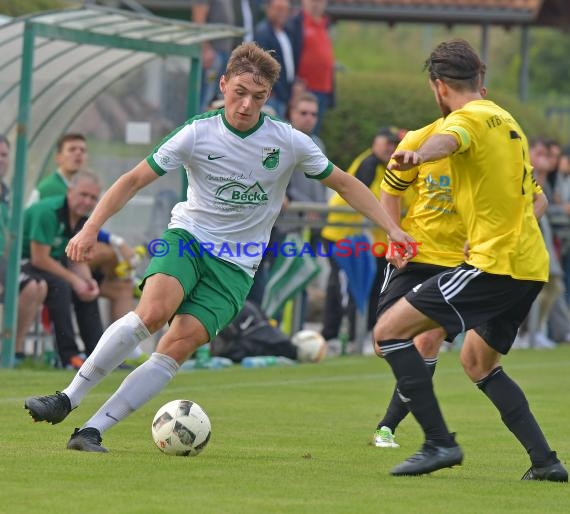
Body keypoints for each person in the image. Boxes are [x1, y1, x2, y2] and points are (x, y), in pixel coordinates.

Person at [24, 42, 414, 453]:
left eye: (258, 97)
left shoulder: (288, 141)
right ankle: (67, 397)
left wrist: (392, 227)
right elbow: (132, 180)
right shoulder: (197, 132)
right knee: (153, 312)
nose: (247, 104)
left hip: (237, 265)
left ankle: (92, 430)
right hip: (189, 238)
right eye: (240, 92)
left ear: (268, 98)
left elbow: (345, 183)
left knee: (178, 344)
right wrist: (89, 229)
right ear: (224, 84)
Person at [373, 38, 567, 481]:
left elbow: (450, 140)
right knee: (479, 363)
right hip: (528, 266)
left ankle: (438, 442)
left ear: (439, 87)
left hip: (495, 264)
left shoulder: (467, 119)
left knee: (388, 332)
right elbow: (526, 196)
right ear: (479, 80)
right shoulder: (506, 118)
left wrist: (419, 154)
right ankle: (546, 462)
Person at [28, 132, 137, 324]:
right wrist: (117, 242)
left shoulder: (83, 183)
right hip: (50, 259)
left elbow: (83, 227)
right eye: (72, 150)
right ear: (58, 157)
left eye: (83, 150)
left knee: (121, 288)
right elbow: (78, 231)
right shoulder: (51, 189)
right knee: (108, 253)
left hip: (68, 257)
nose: (78, 154)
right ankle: (132, 275)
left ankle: (125, 351)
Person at [320, 127, 400, 350]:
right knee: (344, 285)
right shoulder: (369, 164)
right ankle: (334, 336)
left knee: (370, 285)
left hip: (365, 239)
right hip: (343, 235)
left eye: (394, 146)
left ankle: (359, 334)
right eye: (386, 144)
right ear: (375, 143)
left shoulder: (384, 166)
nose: (390, 149)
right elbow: (363, 198)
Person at [21, 171, 104, 369]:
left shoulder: (84, 220)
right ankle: (68, 356)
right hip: (21, 263)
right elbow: (38, 258)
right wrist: (74, 280)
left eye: (93, 198)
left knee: (89, 288)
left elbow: (75, 258)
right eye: (83, 194)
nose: (87, 201)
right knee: (61, 286)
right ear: (69, 191)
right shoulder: (48, 212)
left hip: (52, 263)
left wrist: (86, 281)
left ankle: (98, 356)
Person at [0, 134, 48, 363]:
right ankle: (9, 350)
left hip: (4, 260)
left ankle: (13, 351)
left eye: (4, 154)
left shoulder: (6, 191)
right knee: (29, 287)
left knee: (39, 286)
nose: (1, 159)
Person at [191, 0, 261, 112]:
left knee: (216, 99)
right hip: (212, 54)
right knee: (205, 98)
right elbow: (198, 20)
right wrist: (206, 49)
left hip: (224, 53)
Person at [287, 0, 335, 135]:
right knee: (294, 133)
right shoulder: (295, 24)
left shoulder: (326, 24)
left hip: (323, 90)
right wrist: (295, 82)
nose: (316, 4)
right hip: (304, 89)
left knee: (313, 136)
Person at [254, 0, 296, 119]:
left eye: (285, 9)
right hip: (272, 93)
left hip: (285, 91)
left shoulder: (287, 32)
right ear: (268, 9)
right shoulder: (263, 32)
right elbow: (264, 65)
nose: (282, 13)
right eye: (278, 9)